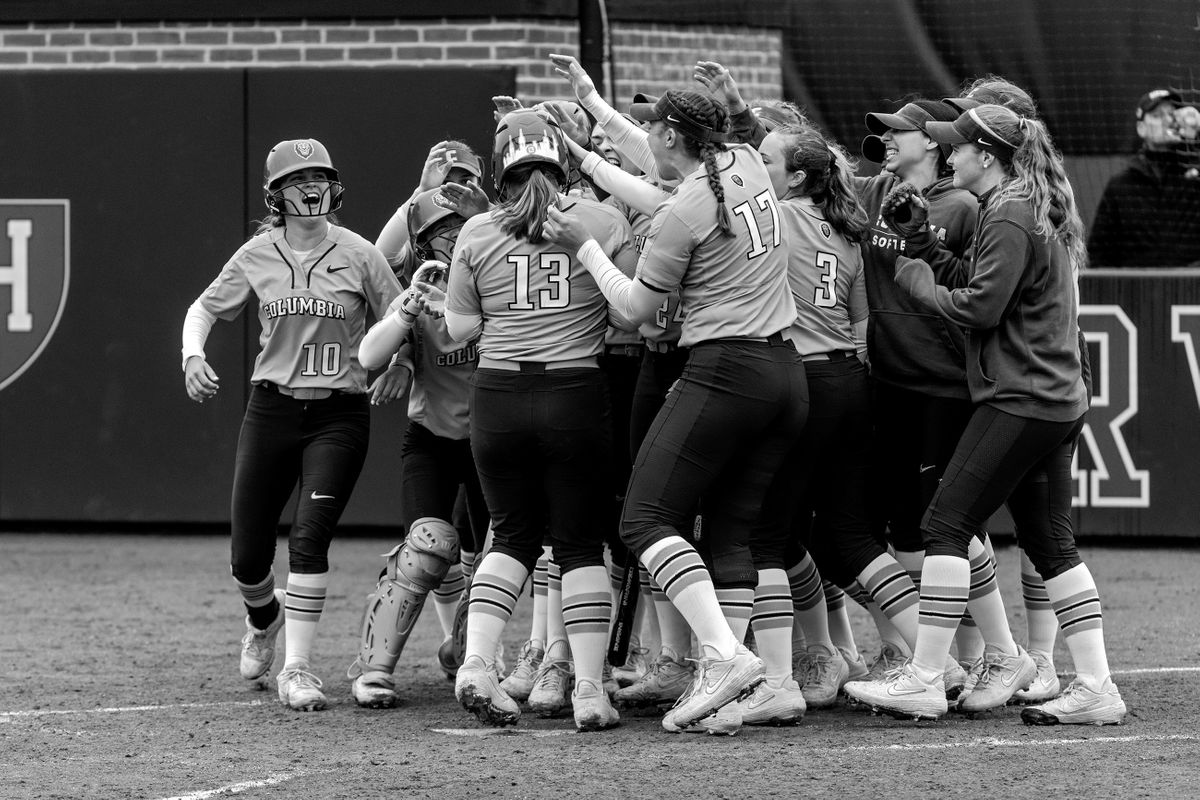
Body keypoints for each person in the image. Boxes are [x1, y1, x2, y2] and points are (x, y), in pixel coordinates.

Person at [845, 104, 1127, 726]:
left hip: (1021, 398)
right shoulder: (1024, 204)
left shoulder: (1009, 213)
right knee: (1051, 543)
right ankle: (1097, 687)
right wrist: (922, 246)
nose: (949, 156)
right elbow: (978, 280)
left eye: (958, 148)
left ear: (987, 156)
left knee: (944, 524)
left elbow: (978, 306)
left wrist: (916, 275)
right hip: (1050, 399)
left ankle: (924, 677)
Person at [543, 88, 807, 734]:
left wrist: (584, 246)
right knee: (732, 532)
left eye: (649, 125)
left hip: (727, 370)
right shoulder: (741, 157)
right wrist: (587, 145)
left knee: (643, 519)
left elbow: (633, 309)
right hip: (785, 371)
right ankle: (759, 683)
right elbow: (664, 174)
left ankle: (720, 656)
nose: (643, 133)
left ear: (668, 134)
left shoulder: (684, 209)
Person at [180, 138, 403, 711]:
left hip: (338, 413)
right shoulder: (258, 252)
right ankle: (264, 618)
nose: (311, 188)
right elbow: (204, 308)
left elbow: (402, 314)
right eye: (299, 180)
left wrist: (402, 361)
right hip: (272, 407)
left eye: (320, 177)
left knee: (309, 536)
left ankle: (298, 669)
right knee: (247, 557)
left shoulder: (359, 253)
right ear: (276, 194)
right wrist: (192, 354)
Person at [445, 108, 636, 732]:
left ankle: (476, 664)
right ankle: (586, 691)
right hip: (574, 391)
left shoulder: (474, 233)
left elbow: (458, 330)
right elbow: (635, 314)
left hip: (498, 394)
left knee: (510, 534)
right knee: (580, 544)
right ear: (562, 159)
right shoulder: (604, 219)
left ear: (499, 168)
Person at [345, 156, 492, 708]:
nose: (452, 241)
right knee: (428, 547)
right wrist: (405, 320)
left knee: (494, 558)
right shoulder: (419, 289)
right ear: (424, 241)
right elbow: (367, 356)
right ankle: (373, 667)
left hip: (494, 443)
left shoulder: (500, 281)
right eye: (440, 233)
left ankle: (471, 652)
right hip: (432, 438)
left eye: (460, 230)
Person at [1087, 88, 1200, 267]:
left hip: (1190, 288)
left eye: (1172, 114)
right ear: (1141, 128)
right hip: (1137, 290)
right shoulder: (1121, 186)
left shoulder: (1194, 176)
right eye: (1157, 115)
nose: (1167, 120)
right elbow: (1098, 254)